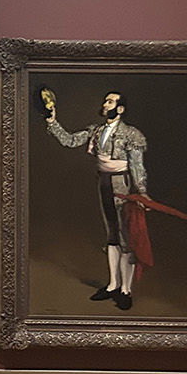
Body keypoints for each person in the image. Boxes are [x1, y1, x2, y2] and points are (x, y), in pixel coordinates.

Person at [45, 89, 147, 310]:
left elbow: (137, 167)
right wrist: (53, 122)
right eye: (105, 101)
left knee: (126, 238)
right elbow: (70, 141)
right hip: (104, 182)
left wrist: (141, 192)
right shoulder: (96, 130)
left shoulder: (132, 134)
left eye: (110, 102)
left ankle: (126, 290)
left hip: (123, 184)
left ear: (120, 109)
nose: (105, 104)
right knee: (111, 234)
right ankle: (112, 285)